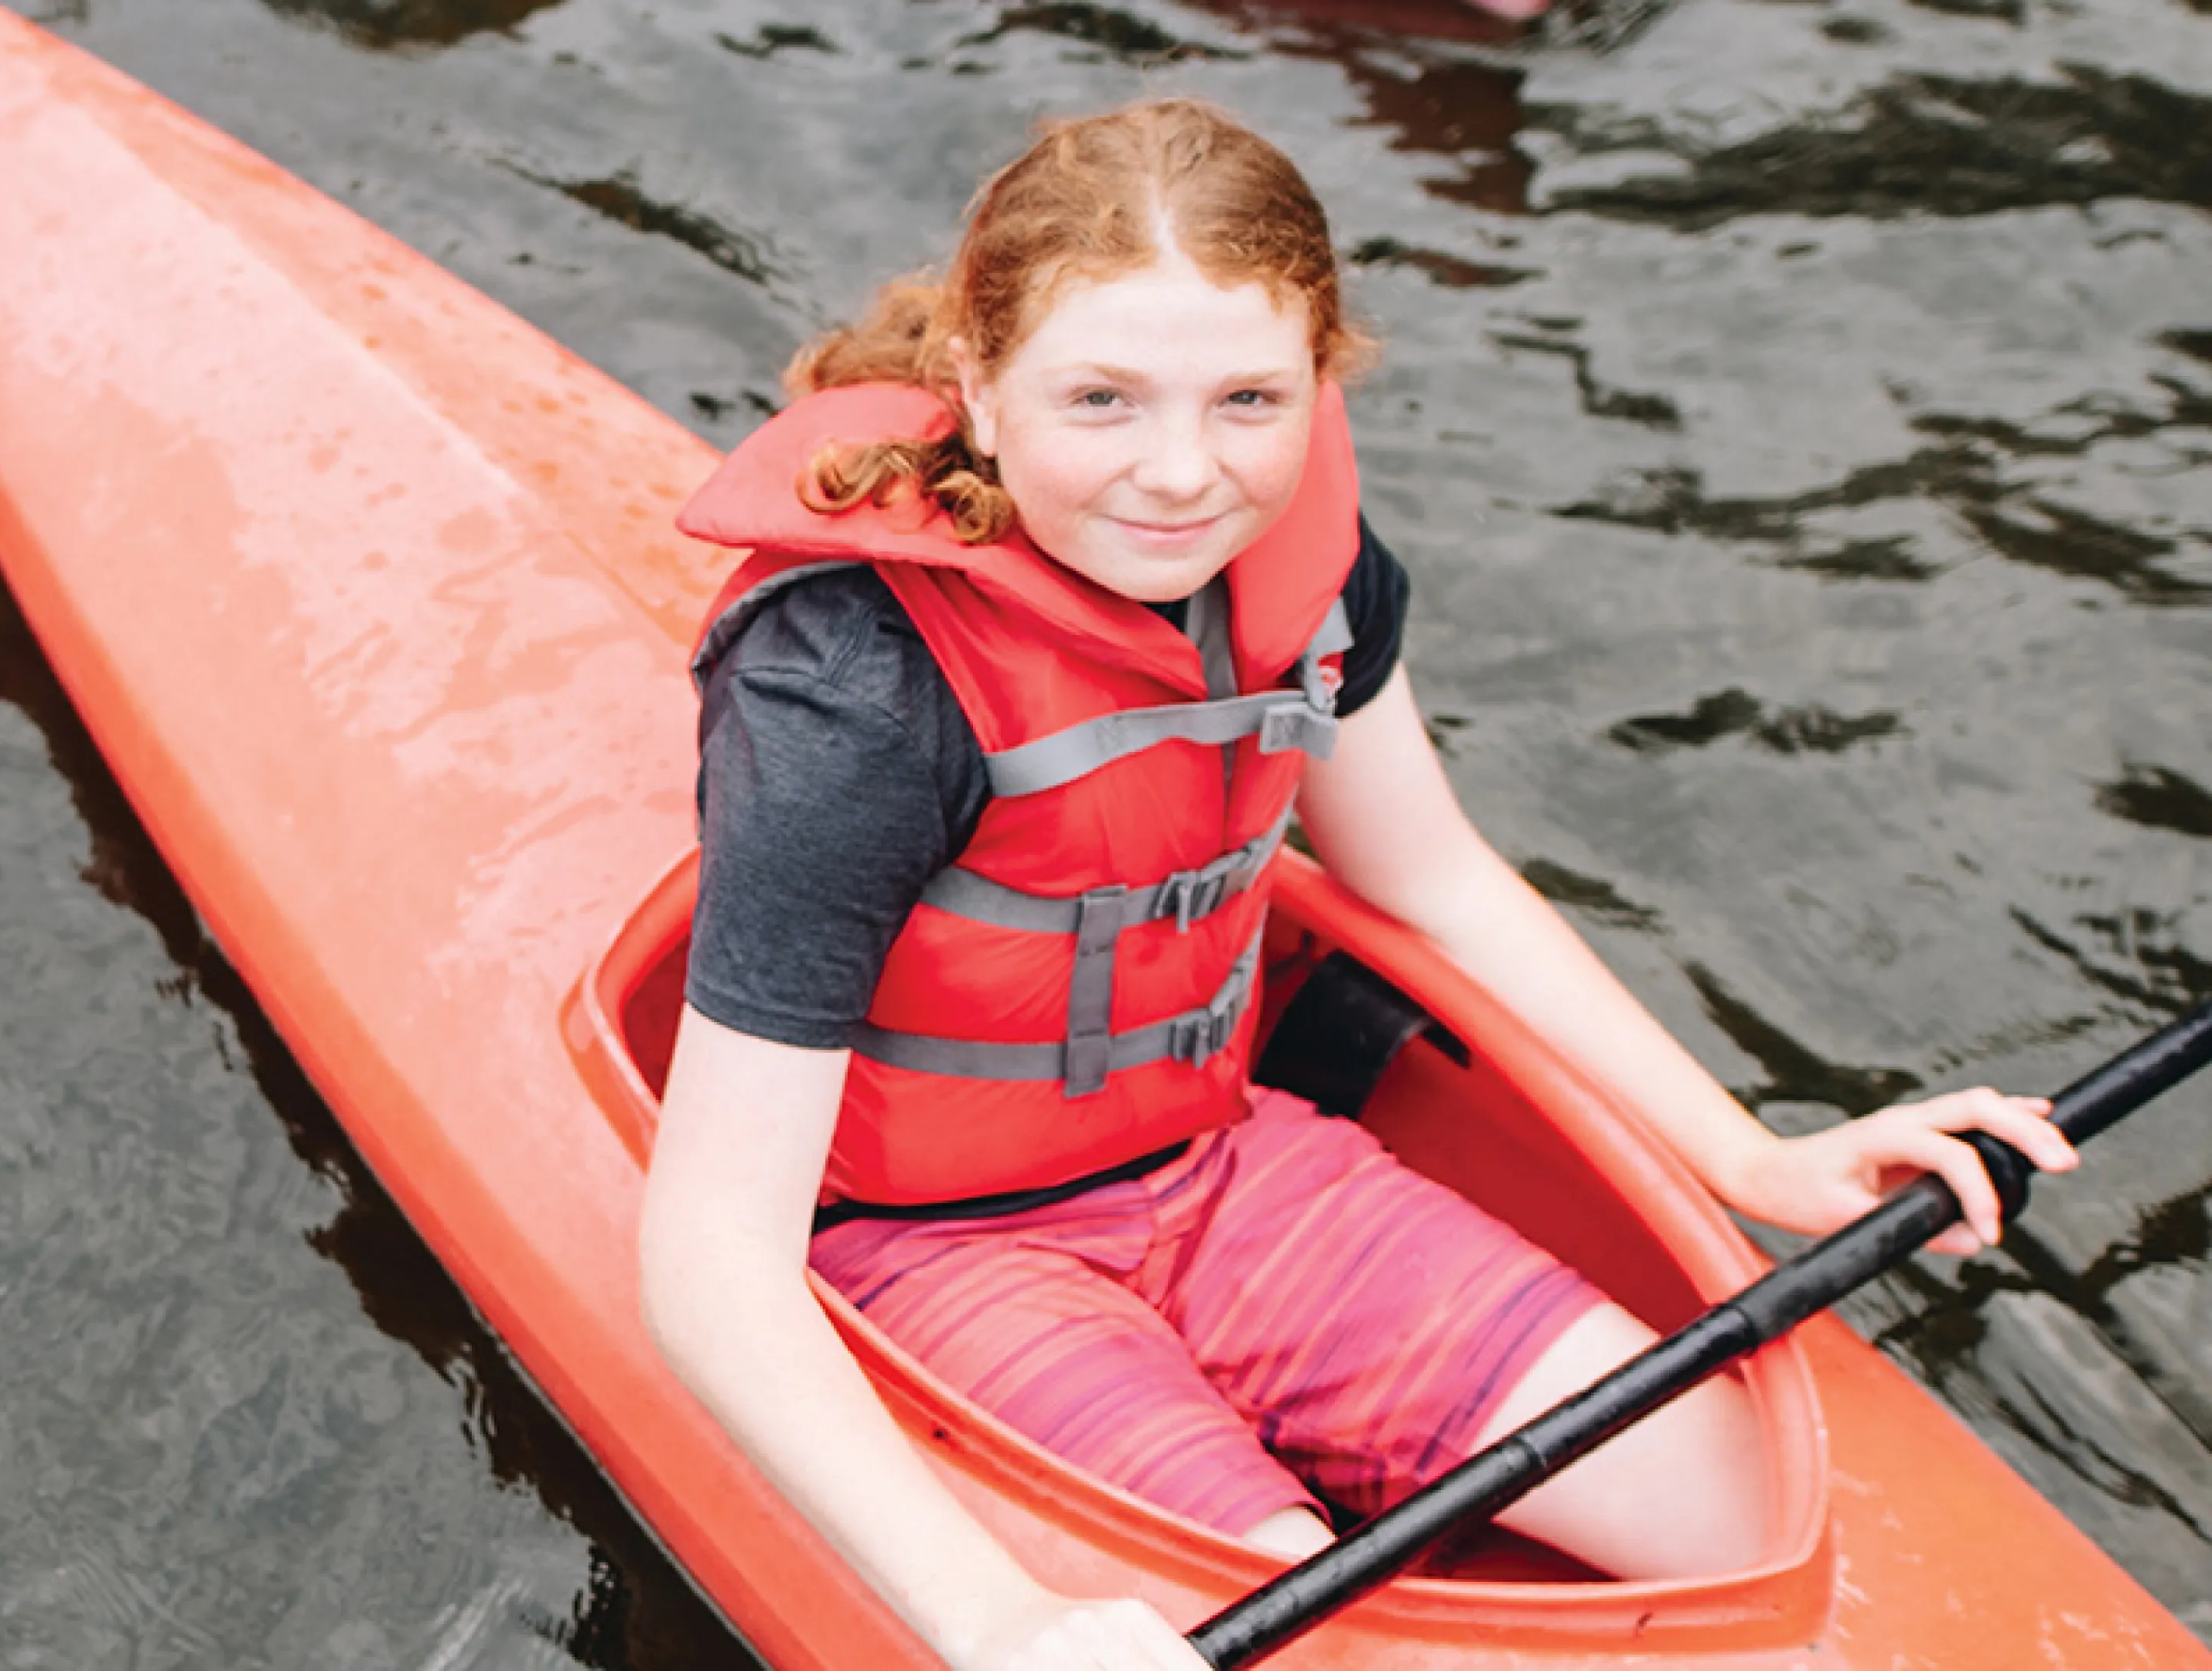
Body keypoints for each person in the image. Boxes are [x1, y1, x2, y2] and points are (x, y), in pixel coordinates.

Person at [634, 98, 2077, 1671]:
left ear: (1320, 382)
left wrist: (1757, 1160)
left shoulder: (1298, 569)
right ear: (978, 389)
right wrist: (1001, 1618)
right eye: (1101, 398)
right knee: (1302, 1619)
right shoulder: (855, 691)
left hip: (1221, 1166)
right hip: (936, 1245)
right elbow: (713, 1254)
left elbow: (1432, 875)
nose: (1182, 477)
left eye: (1250, 398)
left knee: (1744, 1511)